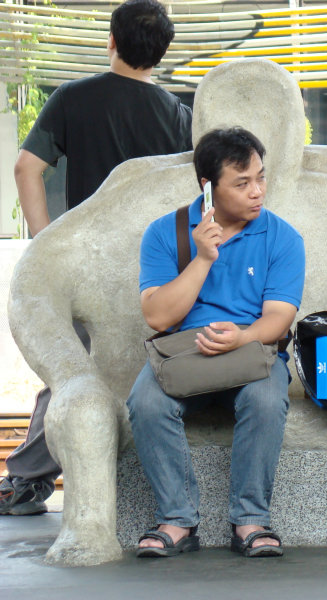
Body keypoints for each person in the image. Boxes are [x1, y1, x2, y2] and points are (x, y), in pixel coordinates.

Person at [1, 0, 192, 517]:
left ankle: (24, 480)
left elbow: (26, 169)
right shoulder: (178, 116)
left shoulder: (72, 99)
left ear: (111, 40)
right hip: (161, 272)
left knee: (73, 371)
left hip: (87, 265)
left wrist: (46, 246)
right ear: (162, 54)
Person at [127, 127, 304, 558]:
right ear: (208, 187)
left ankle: (250, 521)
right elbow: (157, 315)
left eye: (261, 178)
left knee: (265, 400)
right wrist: (204, 258)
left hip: (252, 351)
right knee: (145, 402)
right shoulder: (166, 232)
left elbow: (280, 317)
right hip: (184, 355)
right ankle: (178, 520)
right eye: (242, 183)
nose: (257, 192)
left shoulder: (282, 237)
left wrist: (242, 336)